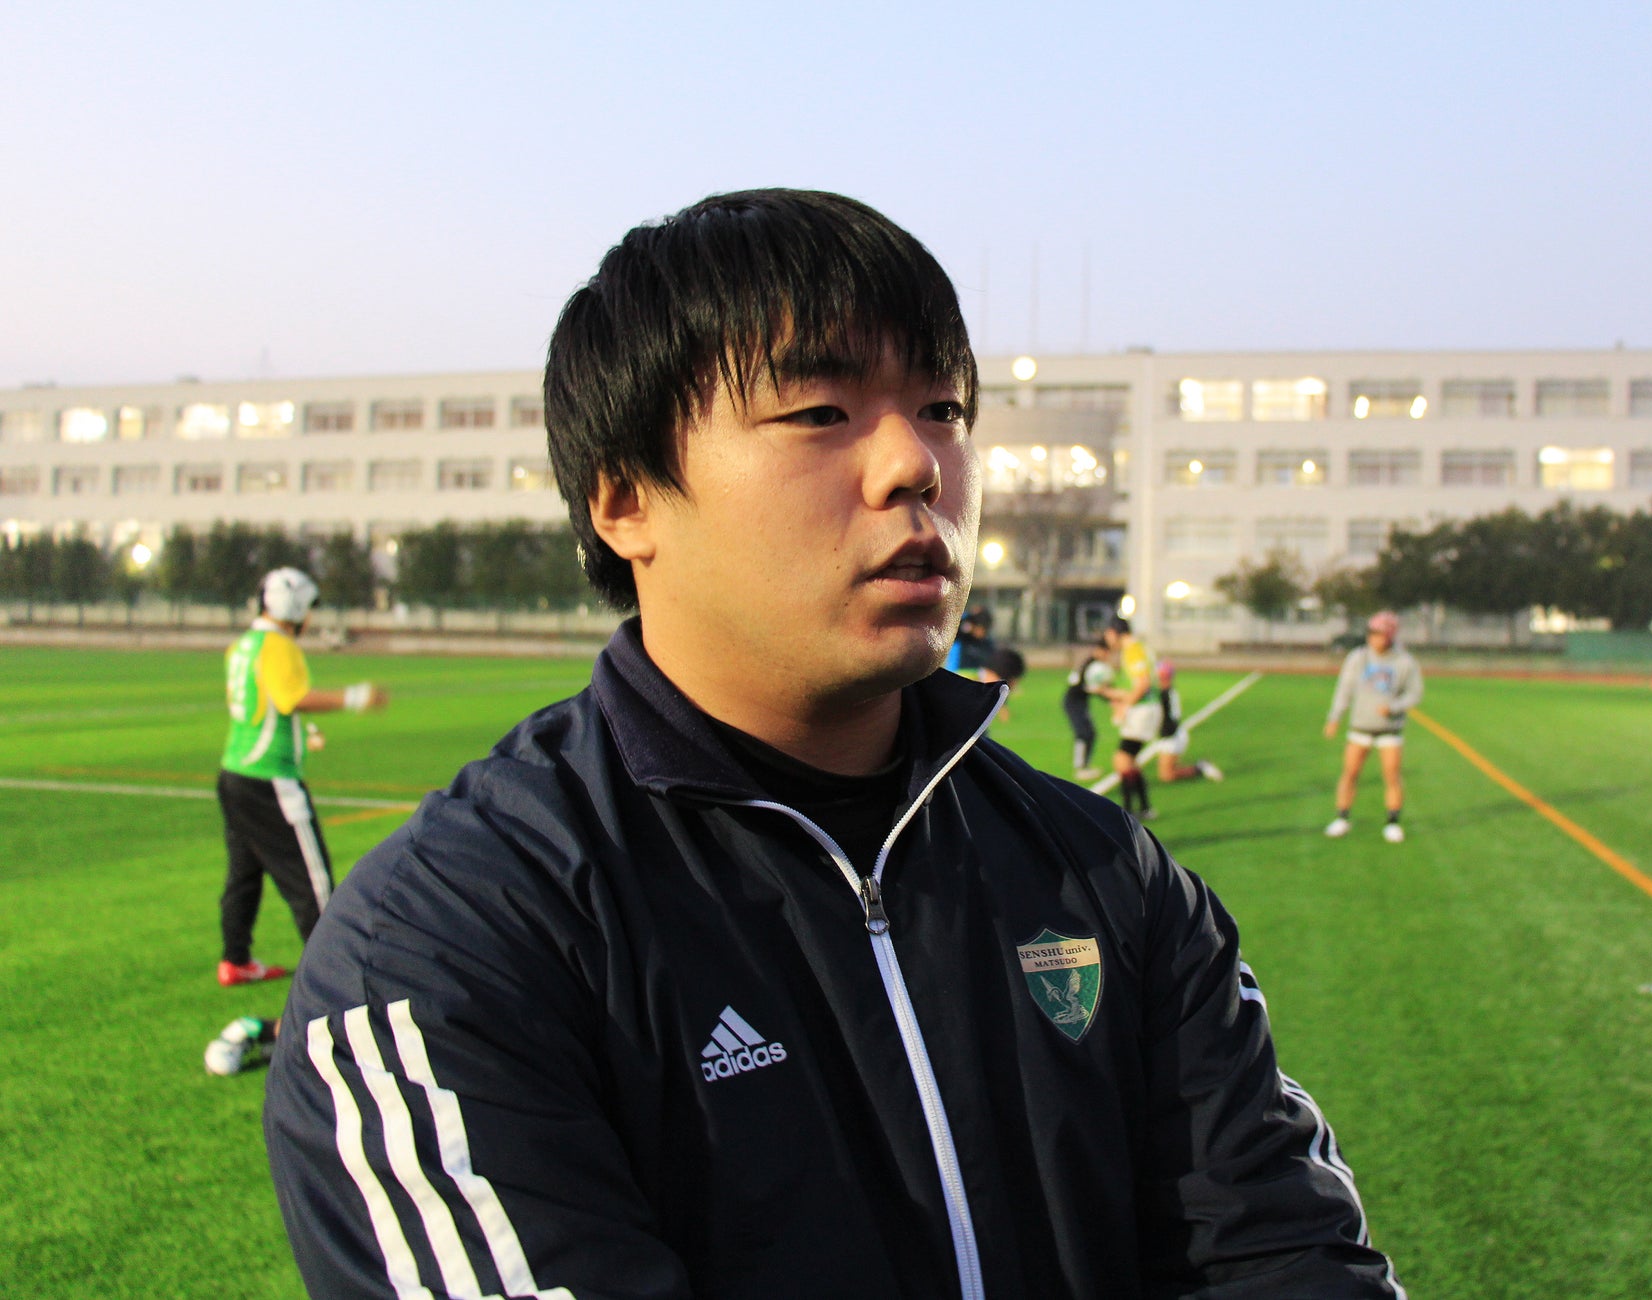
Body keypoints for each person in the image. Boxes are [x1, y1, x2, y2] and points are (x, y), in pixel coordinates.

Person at [263, 190, 1401, 1299]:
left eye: (945, 408)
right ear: (626, 501)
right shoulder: (447, 947)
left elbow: (1284, 1254)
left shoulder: (1106, 875)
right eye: (820, 412)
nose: (916, 463)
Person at [215, 567, 386, 986]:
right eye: (309, 608)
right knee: (313, 882)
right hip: (271, 778)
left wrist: (302, 732)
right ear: (294, 608)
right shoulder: (279, 645)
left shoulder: (243, 645)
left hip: (234, 772)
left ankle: (235, 960)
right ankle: (339, 977)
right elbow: (292, 698)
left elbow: (261, 704)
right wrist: (355, 697)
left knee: (243, 873)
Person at [1323, 610, 1423, 843]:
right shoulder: (1358, 658)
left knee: (1392, 775)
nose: (1374, 638)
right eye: (1372, 633)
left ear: (1390, 636)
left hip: (1390, 729)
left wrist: (1394, 707)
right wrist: (1334, 717)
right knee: (1350, 773)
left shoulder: (1404, 662)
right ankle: (1342, 818)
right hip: (1360, 727)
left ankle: (1392, 822)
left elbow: (1414, 693)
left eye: (1379, 634)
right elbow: (1345, 688)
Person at [1099, 615, 1164, 821]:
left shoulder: (1132, 650)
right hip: (1144, 709)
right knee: (1129, 761)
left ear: (1114, 633)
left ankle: (1127, 813)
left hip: (1143, 711)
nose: (1107, 639)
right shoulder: (1136, 648)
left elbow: (1143, 684)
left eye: (1108, 634)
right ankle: (1144, 809)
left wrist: (1125, 706)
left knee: (1122, 760)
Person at [1154, 659, 1225, 783]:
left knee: (1167, 776)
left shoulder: (1164, 694)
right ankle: (1195, 766)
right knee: (1167, 771)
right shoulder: (1167, 692)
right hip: (1170, 734)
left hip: (1172, 736)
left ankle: (1201, 767)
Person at [1061, 642, 1113, 779]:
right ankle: (1081, 768)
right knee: (1084, 732)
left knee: (1089, 733)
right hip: (1074, 702)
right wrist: (1110, 697)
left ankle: (1084, 766)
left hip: (1079, 702)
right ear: (1100, 650)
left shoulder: (1090, 664)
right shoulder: (1093, 666)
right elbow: (1091, 686)